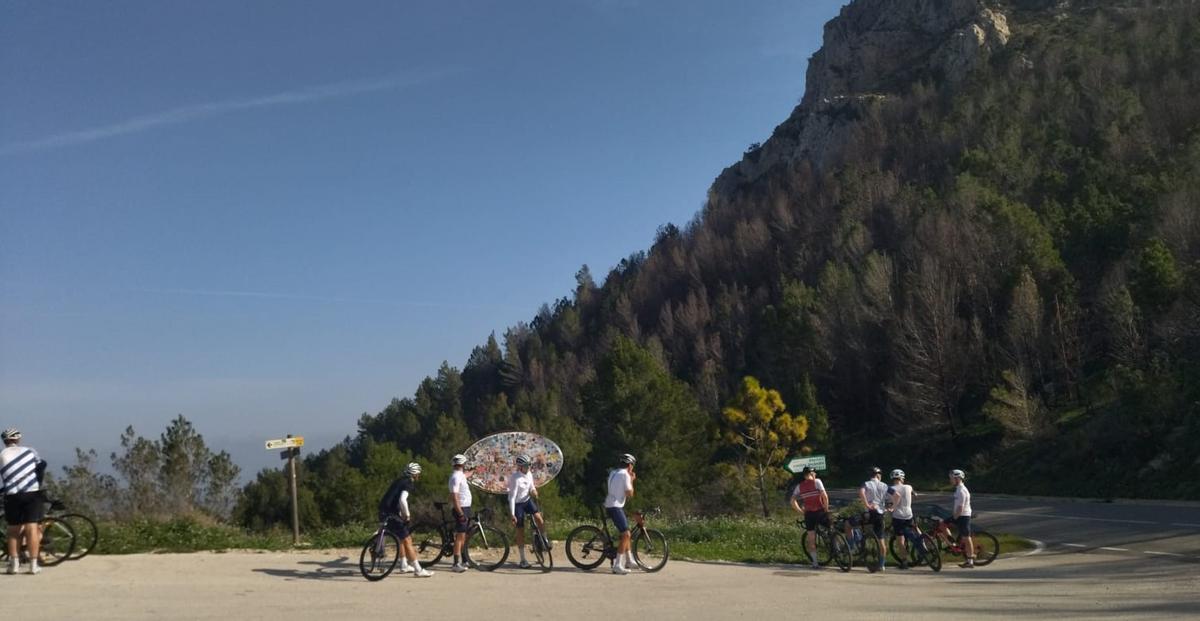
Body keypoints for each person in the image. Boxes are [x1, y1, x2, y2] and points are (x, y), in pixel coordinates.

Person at [1, 429, 44, 575]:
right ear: (19, 439)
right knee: (32, 528)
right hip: (32, 492)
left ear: (4, 441)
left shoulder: (2, 455)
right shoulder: (30, 451)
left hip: (12, 494)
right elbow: (41, 465)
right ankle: (33, 565)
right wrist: (38, 482)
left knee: (13, 530)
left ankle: (14, 565)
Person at [379, 462, 433, 578]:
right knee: (407, 539)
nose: (419, 476)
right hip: (391, 513)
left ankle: (404, 565)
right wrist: (407, 515)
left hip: (384, 510)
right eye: (419, 474)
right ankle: (418, 570)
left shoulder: (399, 480)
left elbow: (392, 497)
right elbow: (402, 500)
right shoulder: (408, 483)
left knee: (400, 538)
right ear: (415, 474)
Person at [507, 454, 545, 569]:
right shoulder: (515, 478)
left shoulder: (528, 474)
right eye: (526, 466)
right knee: (520, 529)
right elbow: (512, 497)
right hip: (518, 504)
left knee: (539, 518)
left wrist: (534, 491)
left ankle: (544, 539)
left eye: (529, 465)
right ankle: (523, 559)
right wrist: (512, 514)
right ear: (520, 467)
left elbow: (531, 486)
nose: (528, 467)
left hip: (527, 500)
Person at [789, 466, 830, 569]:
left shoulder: (799, 486)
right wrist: (826, 509)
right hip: (820, 511)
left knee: (811, 538)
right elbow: (824, 496)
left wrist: (800, 511)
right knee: (831, 528)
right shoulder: (817, 482)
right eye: (814, 473)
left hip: (809, 514)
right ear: (812, 474)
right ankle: (837, 547)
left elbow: (792, 501)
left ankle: (815, 563)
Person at [603, 453, 637, 575]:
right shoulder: (625, 475)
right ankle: (618, 565)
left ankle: (629, 560)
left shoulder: (614, 472)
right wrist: (632, 480)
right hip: (615, 506)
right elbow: (629, 494)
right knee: (626, 534)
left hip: (610, 504)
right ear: (629, 465)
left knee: (626, 532)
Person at [858, 466, 888, 571]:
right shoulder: (884, 485)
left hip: (869, 512)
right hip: (880, 514)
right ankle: (882, 564)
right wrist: (891, 506)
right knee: (881, 540)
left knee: (857, 527)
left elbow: (861, 492)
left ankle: (861, 547)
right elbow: (896, 495)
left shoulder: (866, 484)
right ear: (878, 475)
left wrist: (867, 504)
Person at [886, 469, 918, 569]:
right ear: (902, 478)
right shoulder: (908, 487)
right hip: (909, 514)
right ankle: (924, 544)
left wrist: (889, 507)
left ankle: (904, 562)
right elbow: (915, 494)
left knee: (900, 539)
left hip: (898, 516)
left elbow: (888, 502)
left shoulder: (890, 489)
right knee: (915, 529)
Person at [449, 454, 473, 573]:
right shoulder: (455, 477)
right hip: (461, 508)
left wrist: (473, 471)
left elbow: (466, 475)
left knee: (465, 535)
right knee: (460, 536)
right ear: (463, 464)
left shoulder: (460, 475)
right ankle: (455, 563)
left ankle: (464, 560)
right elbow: (454, 496)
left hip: (466, 507)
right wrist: (460, 513)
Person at [950, 468, 976, 568]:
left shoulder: (961, 491)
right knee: (943, 524)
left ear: (958, 479)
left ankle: (970, 561)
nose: (950, 480)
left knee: (966, 537)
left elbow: (960, 507)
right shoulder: (958, 489)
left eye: (952, 478)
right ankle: (954, 545)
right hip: (959, 515)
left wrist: (954, 518)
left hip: (963, 516)